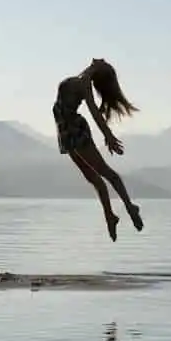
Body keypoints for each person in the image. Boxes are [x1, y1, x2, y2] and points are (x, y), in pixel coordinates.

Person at [53, 58, 144, 242]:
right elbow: (91, 70)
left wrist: (108, 135)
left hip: (73, 129)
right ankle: (110, 216)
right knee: (93, 179)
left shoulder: (84, 83)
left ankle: (129, 206)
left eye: (102, 63)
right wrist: (96, 66)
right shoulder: (83, 77)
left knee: (105, 172)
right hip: (64, 130)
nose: (99, 59)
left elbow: (94, 112)